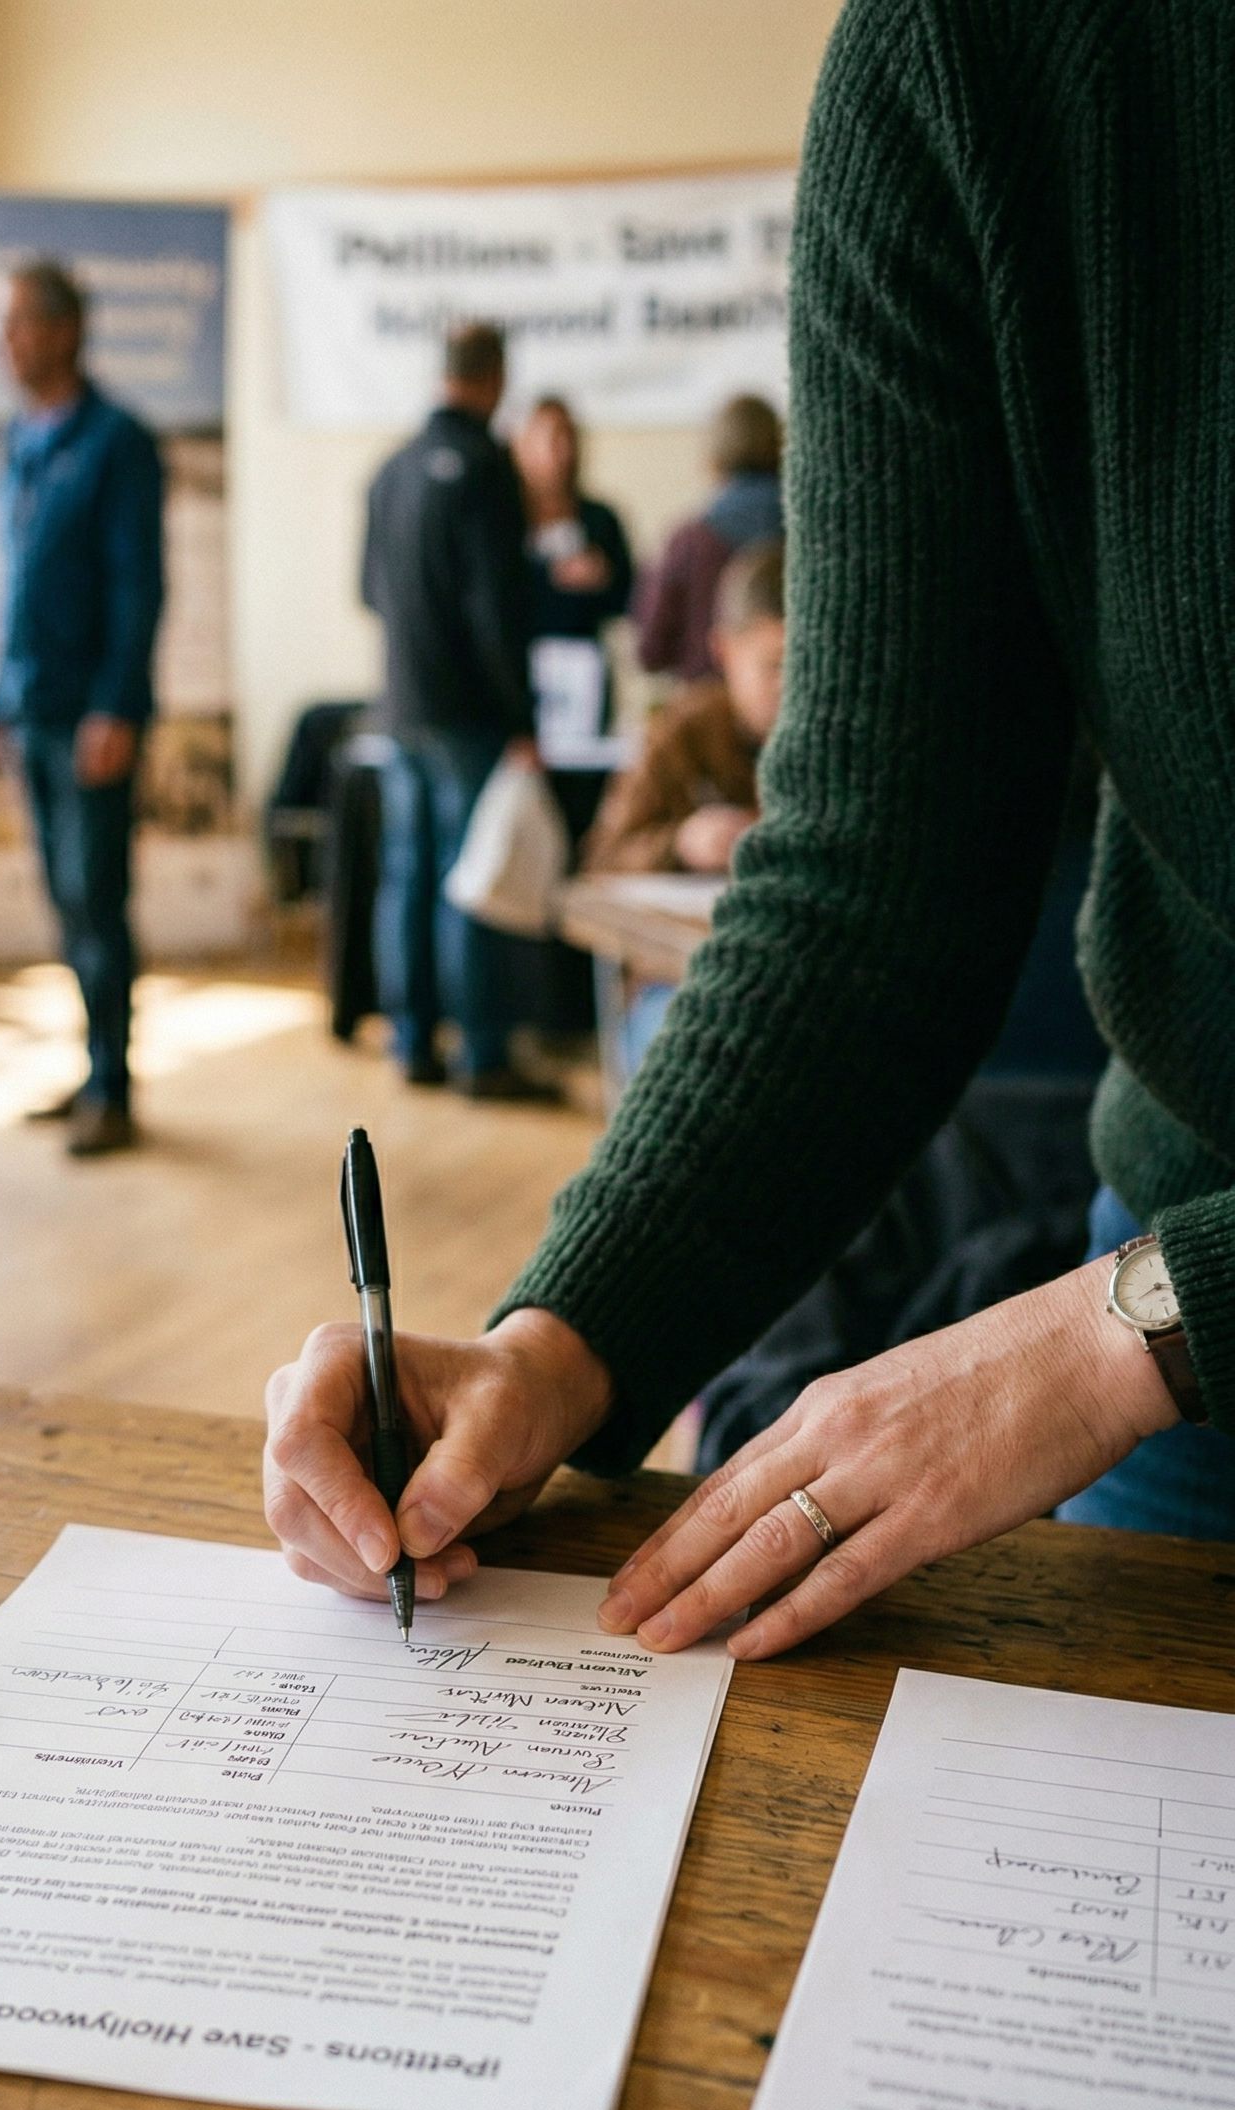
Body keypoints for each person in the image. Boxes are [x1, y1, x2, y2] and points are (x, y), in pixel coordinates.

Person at [265, 0, 1235, 1657]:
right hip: (1187, 1348)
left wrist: (1117, 1334)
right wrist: (564, 1341)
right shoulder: (959, 62)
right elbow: (873, 878)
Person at [0, 261, 164, 1159]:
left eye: (12, 322)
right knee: (63, 899)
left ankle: (113, 1088)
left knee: (99, 899)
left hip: (92, 713)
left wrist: (116, 707)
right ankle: (89, 1070)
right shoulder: (20, 439)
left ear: (59, 330)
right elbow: (12, 591)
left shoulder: (117, 441)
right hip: (29, 710)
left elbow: (138, 587)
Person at [362, 322, 552, 1100]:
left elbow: (366, 592)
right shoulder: (486, 468)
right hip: (471, 713)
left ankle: (412, 1041)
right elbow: (495, 609)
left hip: (400, 705)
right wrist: (521, 717)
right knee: (470, 877)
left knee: (408, 874)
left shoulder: (389, 471)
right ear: (496, 377)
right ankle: (482, 1052)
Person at [584, 539, 784, 877]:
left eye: (809, 668)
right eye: (773, 665)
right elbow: (602, 855)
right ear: (723, 650)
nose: (790, 685)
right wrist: (680, 844)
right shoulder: (683, 730)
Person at [632, 394, 783, 684]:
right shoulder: (811, 540)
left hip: (707, 710)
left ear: (713, 456)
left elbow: (649, 650)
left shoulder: (689, 541)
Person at [514, 396, 632, 740]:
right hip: (523, 678)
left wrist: (602, 578)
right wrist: (550, 576)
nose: (561, 451)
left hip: (585, 675)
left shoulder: (600, 519)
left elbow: (629, 596)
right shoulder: (503, 522)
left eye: (569, 438)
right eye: (551, 439)